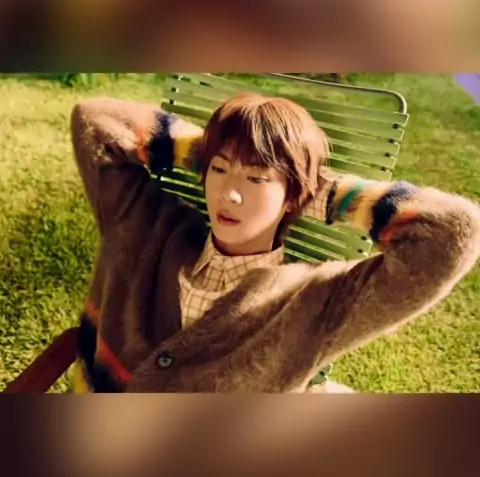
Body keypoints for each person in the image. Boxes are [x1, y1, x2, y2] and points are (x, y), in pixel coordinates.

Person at [70, 92, 480, 393]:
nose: (230, 194)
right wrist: (212, 149)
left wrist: (320, 192)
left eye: (256, 178)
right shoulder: (145, 223)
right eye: (218, 171)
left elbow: (452, 234)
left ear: (294, 197)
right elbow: (95, 120)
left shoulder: (315, 303)